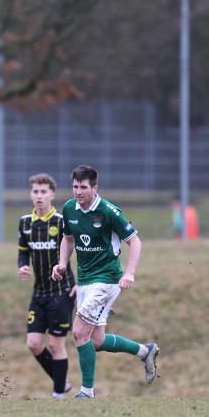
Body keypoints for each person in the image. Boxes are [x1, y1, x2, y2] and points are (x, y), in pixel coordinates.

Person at [52, 165, 160, 399]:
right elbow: (67, 239)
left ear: (94, 188)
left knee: (79, 332)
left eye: (83, 187)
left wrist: (129, 273)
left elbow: (135, 241)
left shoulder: (108, 211)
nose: (78, 192)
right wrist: (61, 263)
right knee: (96, 341)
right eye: (75, 187)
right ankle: (144, 351)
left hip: (107, 280)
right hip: (85, 281)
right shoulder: (70, 208)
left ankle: (86, 392)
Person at [17, 173, 75, 399]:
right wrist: (22, 266)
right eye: (35, 191)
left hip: (61, 291)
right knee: (33, 344)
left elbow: (76, 251)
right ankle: (62, 382)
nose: (39, 196)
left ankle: (58, 394)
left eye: (43, 192)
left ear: (52, 194)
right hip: (39, 292)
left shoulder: (61, 222)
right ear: (30, 194)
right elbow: (23, 252)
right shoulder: (25, 222)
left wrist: (80, 284)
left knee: (55, 344)